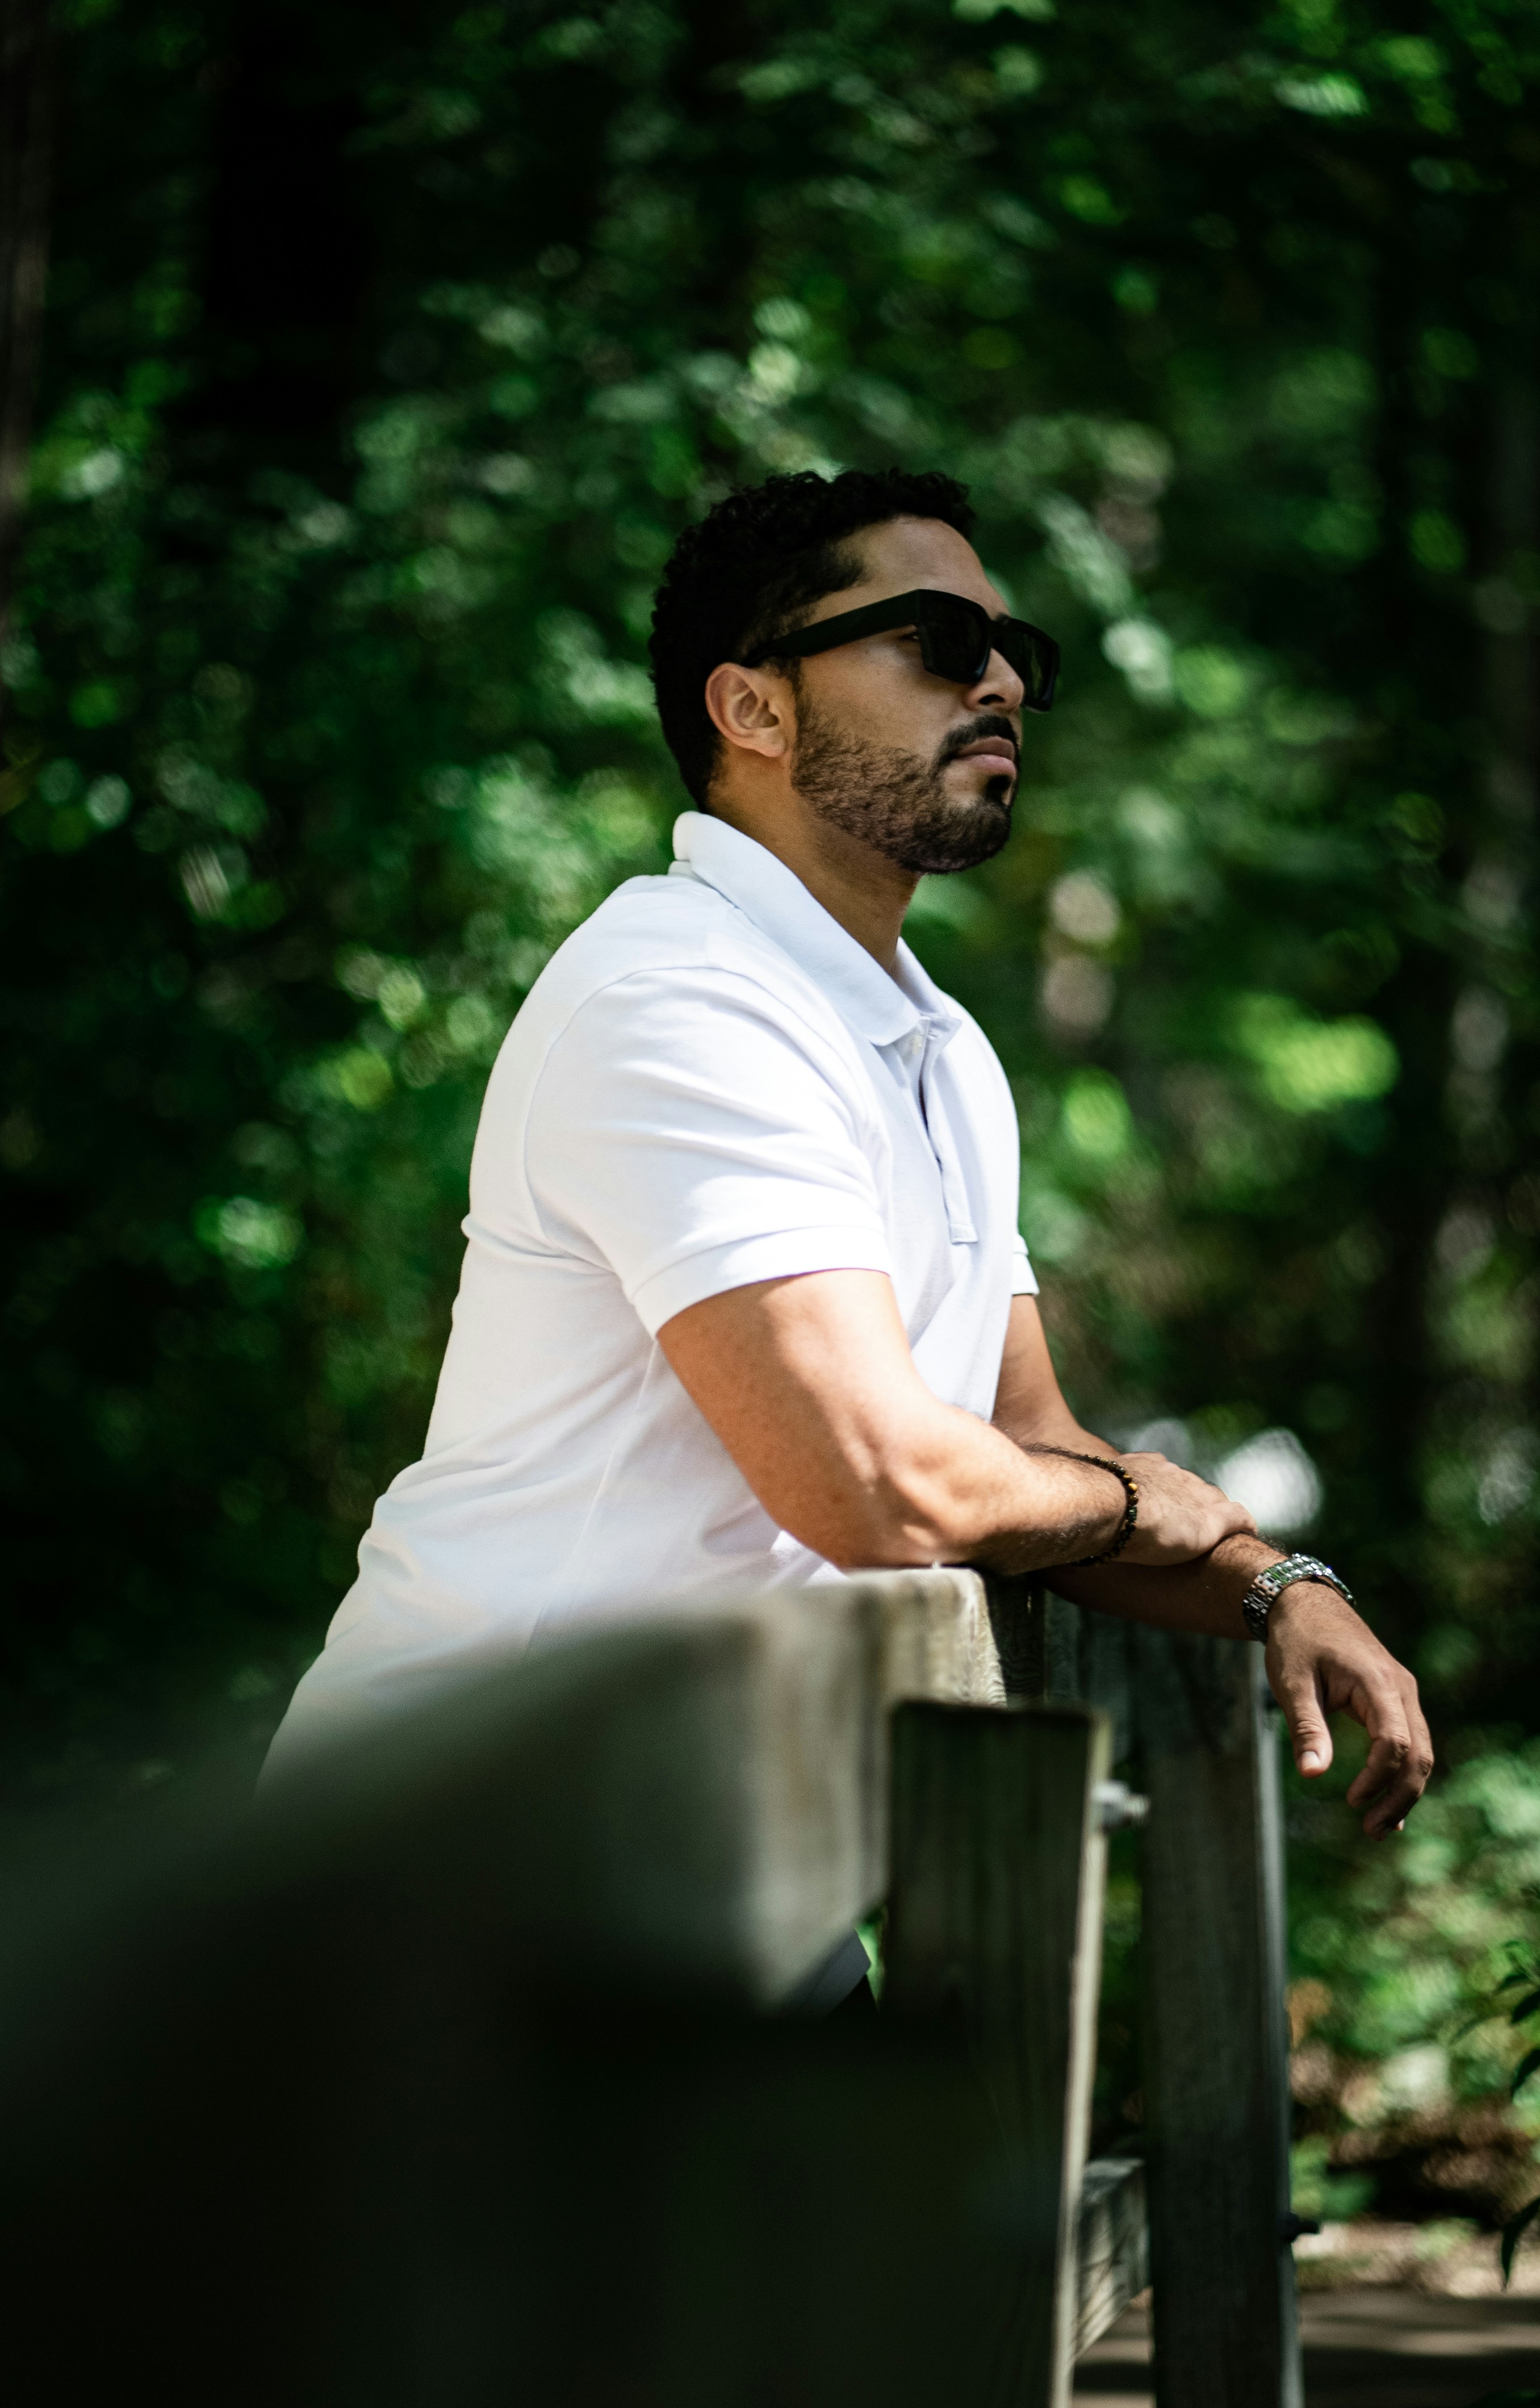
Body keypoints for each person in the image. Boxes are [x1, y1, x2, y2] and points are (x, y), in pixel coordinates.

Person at [264, 469, 1432, 1968]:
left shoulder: (935, 1045)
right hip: (456, 1880)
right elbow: (875, 1481)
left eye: (1019, 654)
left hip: (727, 1870)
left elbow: (1031, 1453)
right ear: (750, 709)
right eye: (941, 638)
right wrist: (1151, 1504)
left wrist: (1275, 1581)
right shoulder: (678, 1000)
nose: (1003, 678)